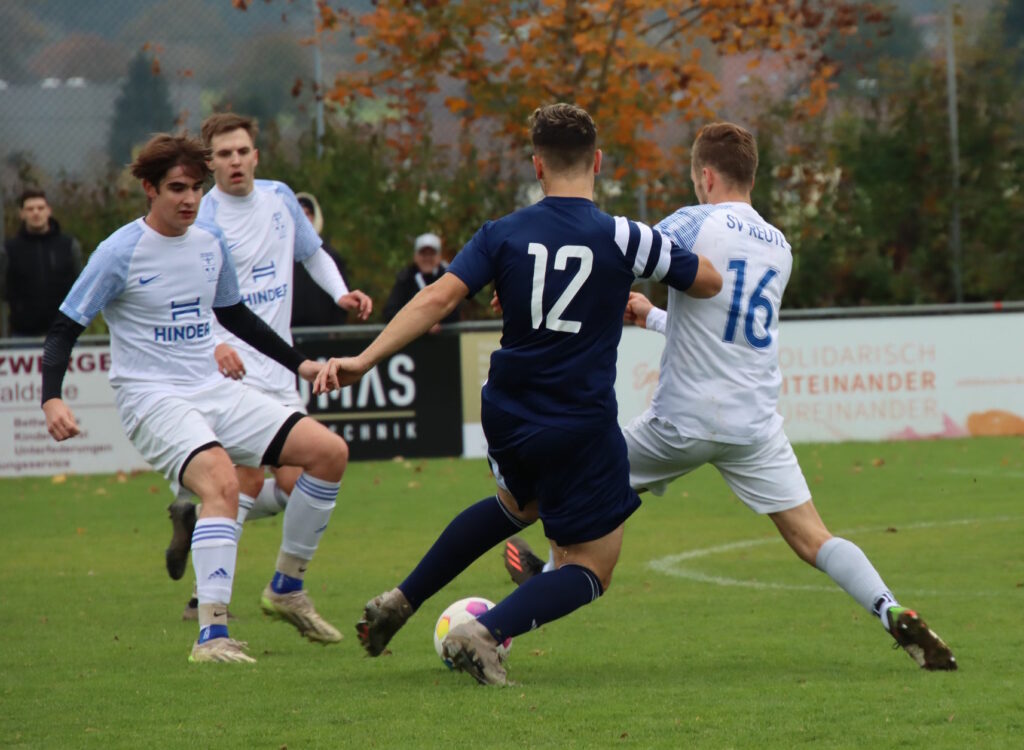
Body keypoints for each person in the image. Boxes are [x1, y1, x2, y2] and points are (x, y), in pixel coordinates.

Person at [501, 122, 957, 672]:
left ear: (706, 176)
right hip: (754, 427)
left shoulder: (693, 221)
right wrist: (653, 316)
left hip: (681, 423)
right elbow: (722, 326)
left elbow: (611, 257)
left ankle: (520, 605)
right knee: (813, 538)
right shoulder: (780, 246)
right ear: (752, 177)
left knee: (578, 488)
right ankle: (888, 607)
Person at [312, 103, 722, 685]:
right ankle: (484, 633)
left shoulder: (502, 233)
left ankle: (401, 600)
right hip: (577, 422)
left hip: (507, 413)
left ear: (537, 166)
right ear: (597, 162)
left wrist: (362, 360)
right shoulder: (626, 236)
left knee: (517, 506)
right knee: (592, 566)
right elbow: (708, 282)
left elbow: (436, 299)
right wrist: (628, 279)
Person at [41, 133, 351, 663]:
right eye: (177, 188)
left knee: (329, 453)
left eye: (196, 188)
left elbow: (235, 316)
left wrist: (299, 363)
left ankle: (286, 586)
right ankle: (211, 635)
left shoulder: (210, 243)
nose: (189, 199)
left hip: (215, 390)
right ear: (150, 188)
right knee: (223, 483)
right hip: (152, 398)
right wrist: (52, 397)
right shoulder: (119, 251)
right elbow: (64, 327)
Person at [164, 113, 372, 623]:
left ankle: (198, 519)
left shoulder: (280, 198)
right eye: (224, 154)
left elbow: (312, 253)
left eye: (242, 151)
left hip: (280, 370)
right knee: (247, 479)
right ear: (209, 164)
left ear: (256, 155)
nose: (235, 161)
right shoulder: (203, 220)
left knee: (298, 482)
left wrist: (340, 292)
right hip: (232, 373)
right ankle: (207, 601)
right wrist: (216, 344)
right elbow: (187, 295)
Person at [2, 188, 83, 336]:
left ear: (49, 211)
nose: (36, 213)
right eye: (30, 209)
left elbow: (80, 286)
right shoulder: (9, 250)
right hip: (23, 334)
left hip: (63, 333)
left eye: (40, 208)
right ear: (22, 214)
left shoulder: (68, 246)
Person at [291, 191, 352, 328]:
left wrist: (335, 330)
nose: (303, 219)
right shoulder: (283, 254)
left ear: (315, 217)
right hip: (289, 332)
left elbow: (342, 293)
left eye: (307, 214)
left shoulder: (329, 255)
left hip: (323, 332)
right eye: (299, 214)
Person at [382, 232, 462, 332]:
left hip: (444, 339)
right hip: (411, 339)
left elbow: (455, 310)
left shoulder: (448, 276)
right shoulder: (405, 278)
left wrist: (437, 322)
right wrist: (419, 323)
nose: (427, 258)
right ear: (415, 256)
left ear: (439, 256)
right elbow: (390, 312)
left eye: (431, 254)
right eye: (423, 254)